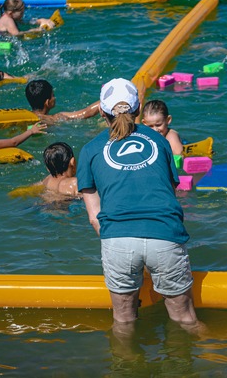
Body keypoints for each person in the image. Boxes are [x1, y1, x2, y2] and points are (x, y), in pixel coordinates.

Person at [77, 78, 200, 333]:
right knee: (186, 319)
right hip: (164, 234)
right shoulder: (161, 142)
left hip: (118, 239)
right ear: (139, 109)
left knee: (123, 322)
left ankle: (127, 367)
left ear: (101, 111)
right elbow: (168, 192)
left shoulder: (89, 150)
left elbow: (94, 217)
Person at [25, 79, 101, 124]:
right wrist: (105, 100)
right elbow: (86, 113)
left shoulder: (24, 117)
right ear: (47, 102)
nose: (54, 98)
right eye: (53, 95)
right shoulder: (55, 118)